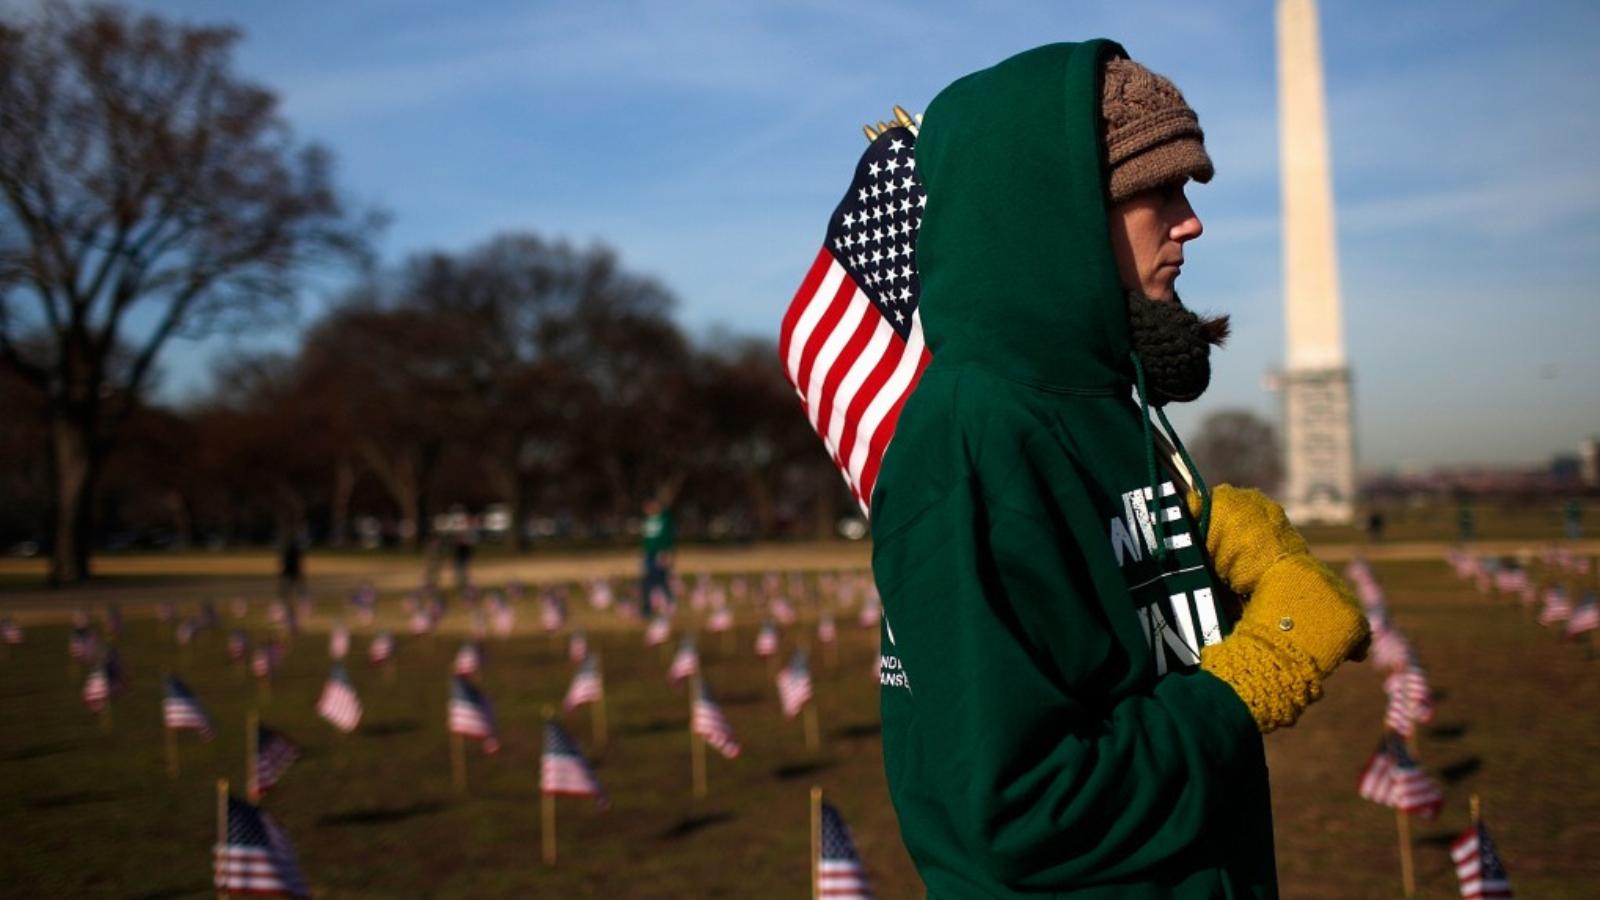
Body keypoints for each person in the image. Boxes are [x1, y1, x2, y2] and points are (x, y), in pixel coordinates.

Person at [871, 42, 1369, 898]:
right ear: (1052, 213)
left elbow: (1131, 666)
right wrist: (1256, 677)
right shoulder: (972, 439)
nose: (1191, 220)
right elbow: (1019, 815)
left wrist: (1225, 572)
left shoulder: (1114, 401)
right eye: (1158, 190)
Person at [639, 496, 675, 618]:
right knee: (651, 580)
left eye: (648, 507)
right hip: (649, 553)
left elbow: (667, 537)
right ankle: (649, 608)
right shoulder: (648, 520)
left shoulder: (664, 520)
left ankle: (665, 605)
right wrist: (643, 552)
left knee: (658, 579)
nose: (646, 510)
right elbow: (646, 539)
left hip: (659, 553)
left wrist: (666, 553)